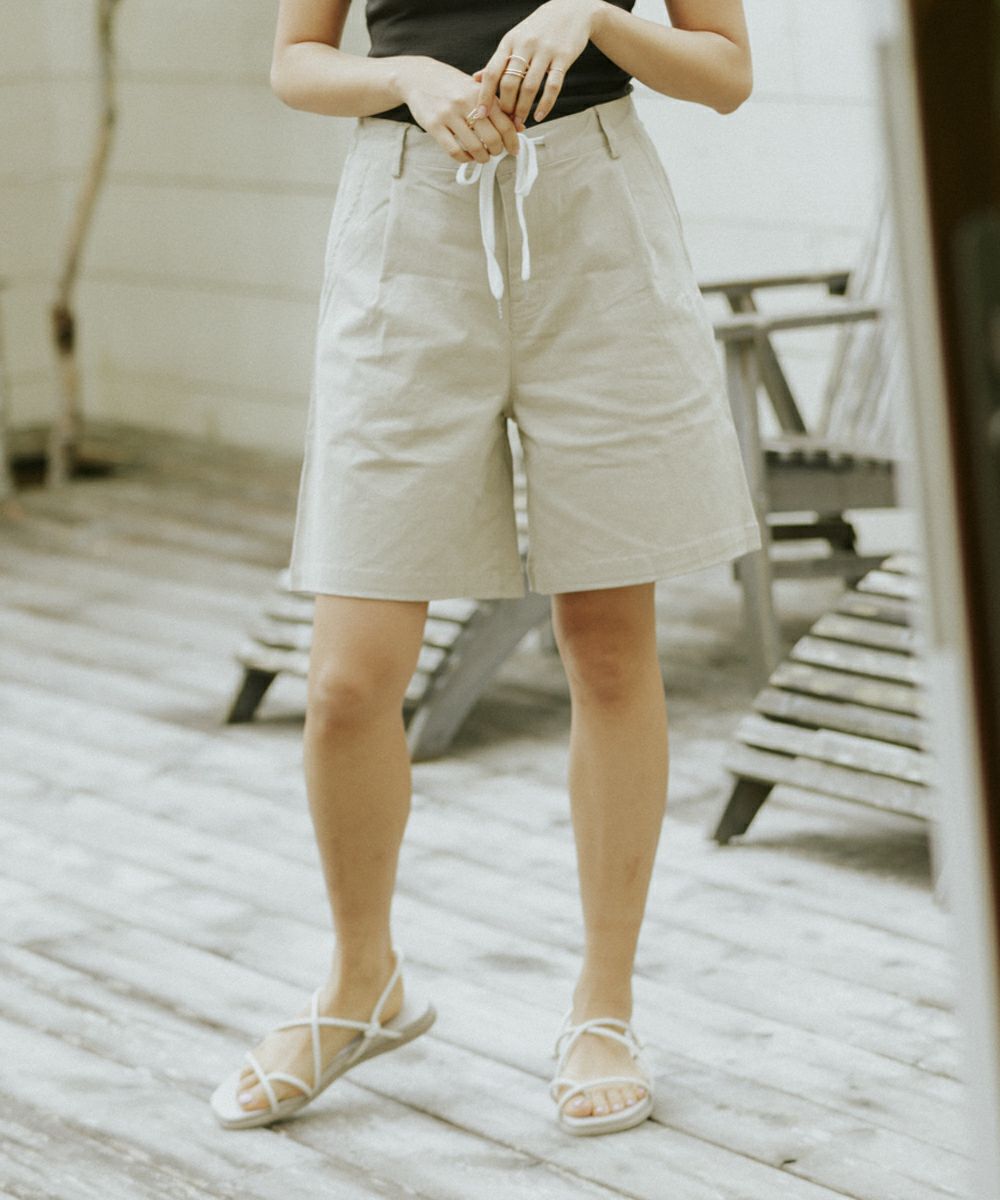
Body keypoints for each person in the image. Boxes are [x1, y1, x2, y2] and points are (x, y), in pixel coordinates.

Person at [211, 0, 759, 1137]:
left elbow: (723, 72)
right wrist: (406, 77)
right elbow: (297, 65)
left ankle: (603, 1006)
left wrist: (593, 17)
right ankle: (362, 985)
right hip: (406, 229)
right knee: (348, 681)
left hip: (598, 226)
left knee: (607, 652)